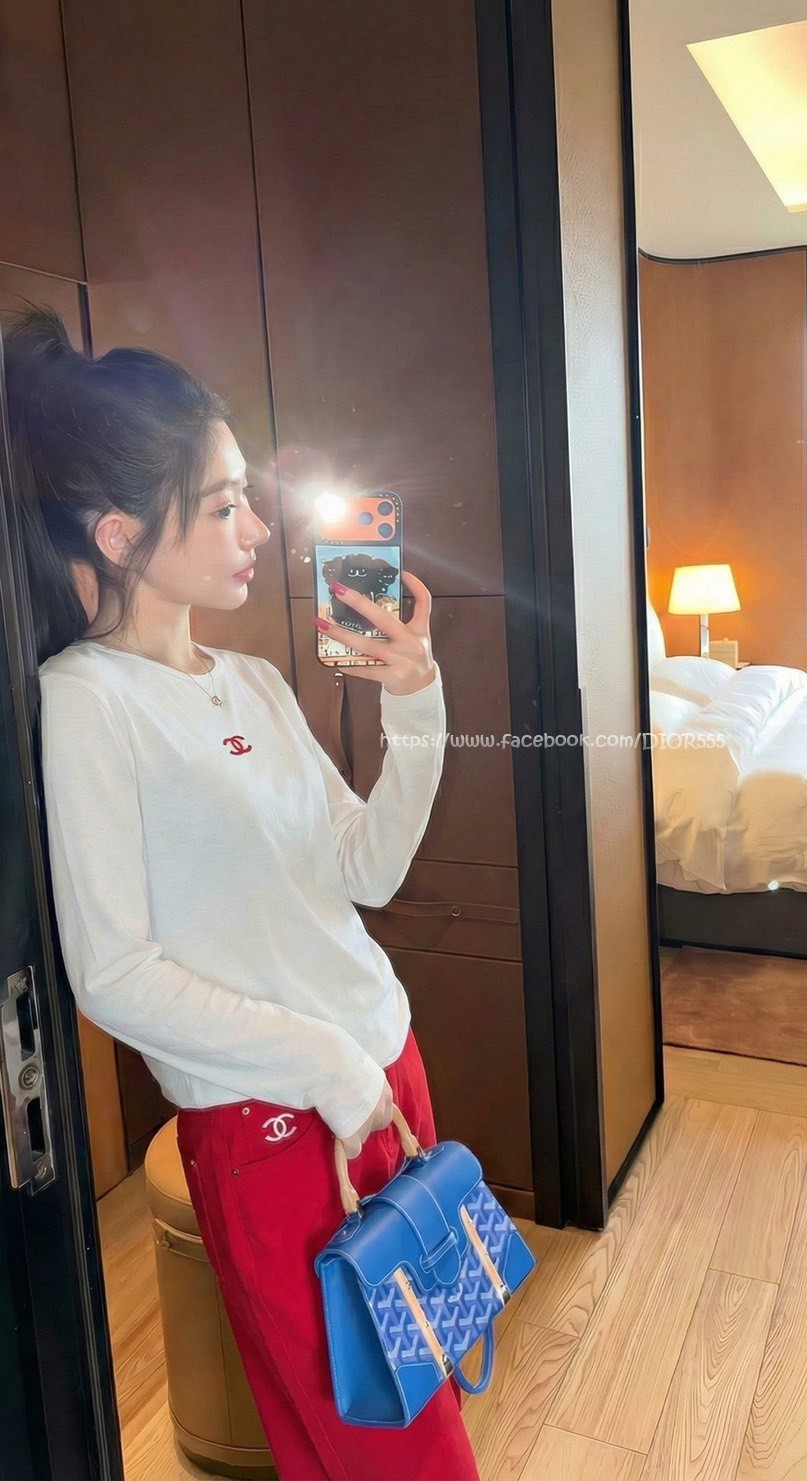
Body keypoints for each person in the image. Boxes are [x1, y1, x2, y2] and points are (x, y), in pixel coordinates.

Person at [4, 304, 481, 1481]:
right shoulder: (87, 700)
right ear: (119, 533)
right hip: (277, 1125)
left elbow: (366, 868)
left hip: (384, 1074)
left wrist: (414, 699)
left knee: (421, 1394)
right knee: (389, 1448)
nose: (258, 527)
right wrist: (326, 1065)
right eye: (222, 505)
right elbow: (114, 973)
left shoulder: (256, 681)